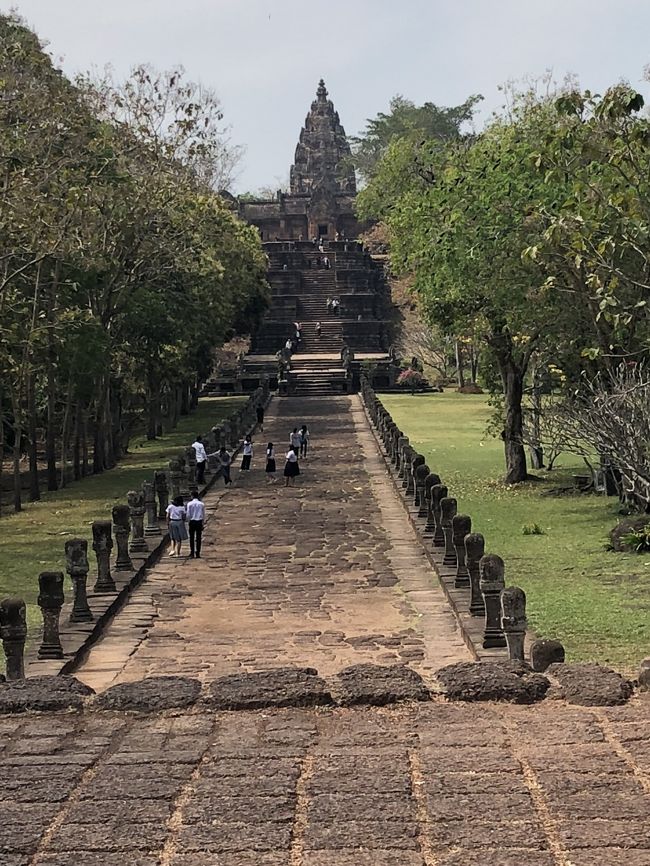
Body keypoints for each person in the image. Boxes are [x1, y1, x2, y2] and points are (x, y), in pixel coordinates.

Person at [186, 489, 205, 559]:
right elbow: (203, 514)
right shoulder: (201, 504)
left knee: (191, 538)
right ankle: (198, 553)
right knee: (198, 538)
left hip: (192, 521)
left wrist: (188, 521)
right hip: (199, 521)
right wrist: (203, 523)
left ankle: (192, 552)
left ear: (192, 496)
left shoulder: (189, 504)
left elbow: (188, 514)